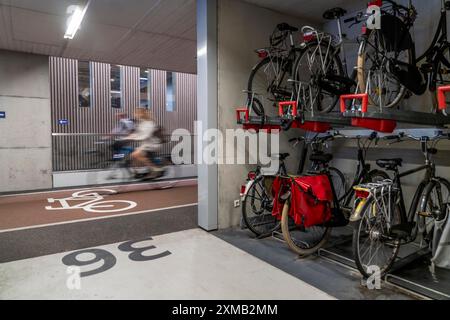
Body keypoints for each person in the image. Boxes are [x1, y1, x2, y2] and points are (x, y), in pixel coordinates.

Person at [126, 108, 163, 179]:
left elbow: (145, 136)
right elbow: (137, 133)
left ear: (142, 114)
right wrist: (126, 138)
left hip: (152, 144)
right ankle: (137, 171)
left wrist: (134, 138)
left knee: (135, 154)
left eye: (136, 113)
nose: (135, 115)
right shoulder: (141, 123)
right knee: (133, 155)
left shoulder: (150, 123)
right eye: (135, 113)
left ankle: (155, 169)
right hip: (145, 144)